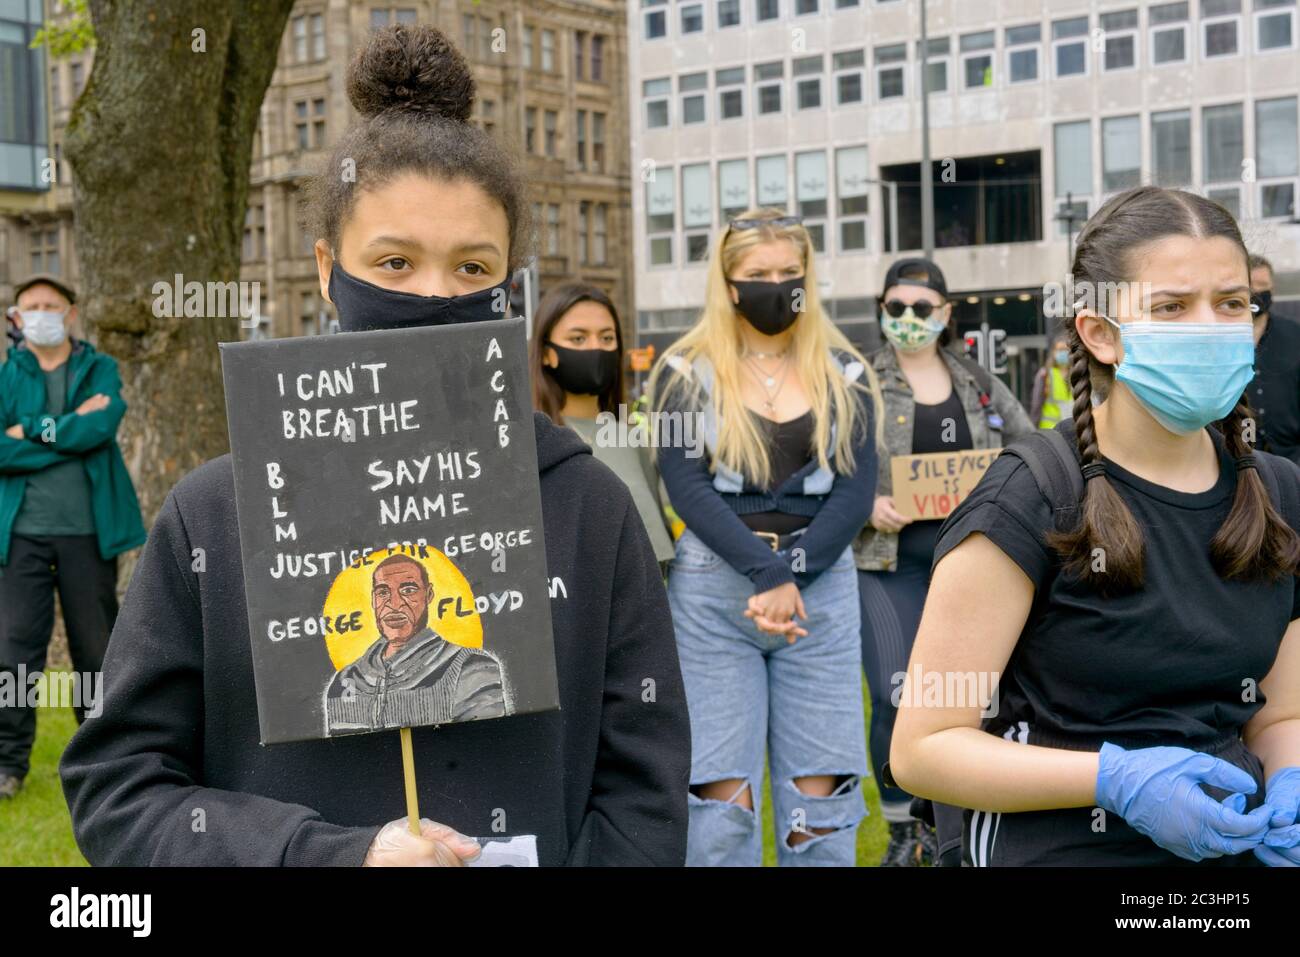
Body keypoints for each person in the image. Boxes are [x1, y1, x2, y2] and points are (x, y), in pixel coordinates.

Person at [59, 24, 690, 866]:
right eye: (394, 262)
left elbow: (643, 796)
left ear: (509, 283)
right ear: (328, 269)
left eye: (473, 268)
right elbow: (119, 788)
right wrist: (319, 853)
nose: (435, 293)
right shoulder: (213, 515)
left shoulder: (590, 508)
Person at [890, 185, 1300, 866]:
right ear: (1100, 333)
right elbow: (923, 747)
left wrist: (1289, 775)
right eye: (1172, 306)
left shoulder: (1279, 492)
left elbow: (1278, 713)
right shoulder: (1029, 497)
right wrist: (1114, 780)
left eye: (1233, 303)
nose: (1211, 325)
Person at [650, 207, 883, 866]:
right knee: (720, 802)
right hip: (715, 597)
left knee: (822, 800)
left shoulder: (848, 371)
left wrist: (795, 572)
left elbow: (854, 491)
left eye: (789, 273)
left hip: (821, 597)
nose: (774, 285)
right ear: (728, 284)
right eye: (758, 274)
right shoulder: (682, 370)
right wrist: (766, 571)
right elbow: (687, 487)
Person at [853, 257, 1034, 865]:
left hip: (970, 561)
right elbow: (822, 457)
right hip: (888, 560)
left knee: (972, 690)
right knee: (895, 689)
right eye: (896, 307)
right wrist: (863, 505)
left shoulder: (977, 381)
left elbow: (1027, 441)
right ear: (882, 311)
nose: (908, 318)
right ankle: (904, 822)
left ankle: (952, 818)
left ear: (946, 314)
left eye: (922, 308)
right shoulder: (857, 380)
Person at [0, 274, 145, 802]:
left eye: (50, 305)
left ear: (71, 313)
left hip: (88, 535)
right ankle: (8, 763)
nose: (40, 312)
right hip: (20, 538)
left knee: (96, 651)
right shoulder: (5, 375)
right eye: (30, 306)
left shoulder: (99, 368)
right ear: (16, 319)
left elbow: (100, 428)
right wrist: (65, 432)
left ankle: (100, 759)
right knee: (14, 654)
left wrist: (31, 431)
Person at [530, 281, 675, 566]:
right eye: (578, 339)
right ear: (547, 353)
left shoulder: (630, 436)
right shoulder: (533, 442)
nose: (596, 348)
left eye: (607, 338)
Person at [323, 554, 507, 734]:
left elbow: (484, 747)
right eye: (383, 592)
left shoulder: (471, 668)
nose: (394, 604)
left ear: (428, 595)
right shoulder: (345, 682)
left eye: (408, 590)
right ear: (373, 600)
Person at [1244, 254, 1300, 465]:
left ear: (1272, 290)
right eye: (1249, 287)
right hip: (1239, 461)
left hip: (1292, 458)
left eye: (1262, 285)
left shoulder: (1295, 335)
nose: (1256, 293)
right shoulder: (1221, 341)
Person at [1029, 335, 1072, 429]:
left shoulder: (1076, 374)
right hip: (1050, 429)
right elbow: (1036, 404)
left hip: (1070, 430)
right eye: (1060, 350)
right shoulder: (1045, 375)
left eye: (1066, 349)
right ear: (1053, 352)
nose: (1063, 353)